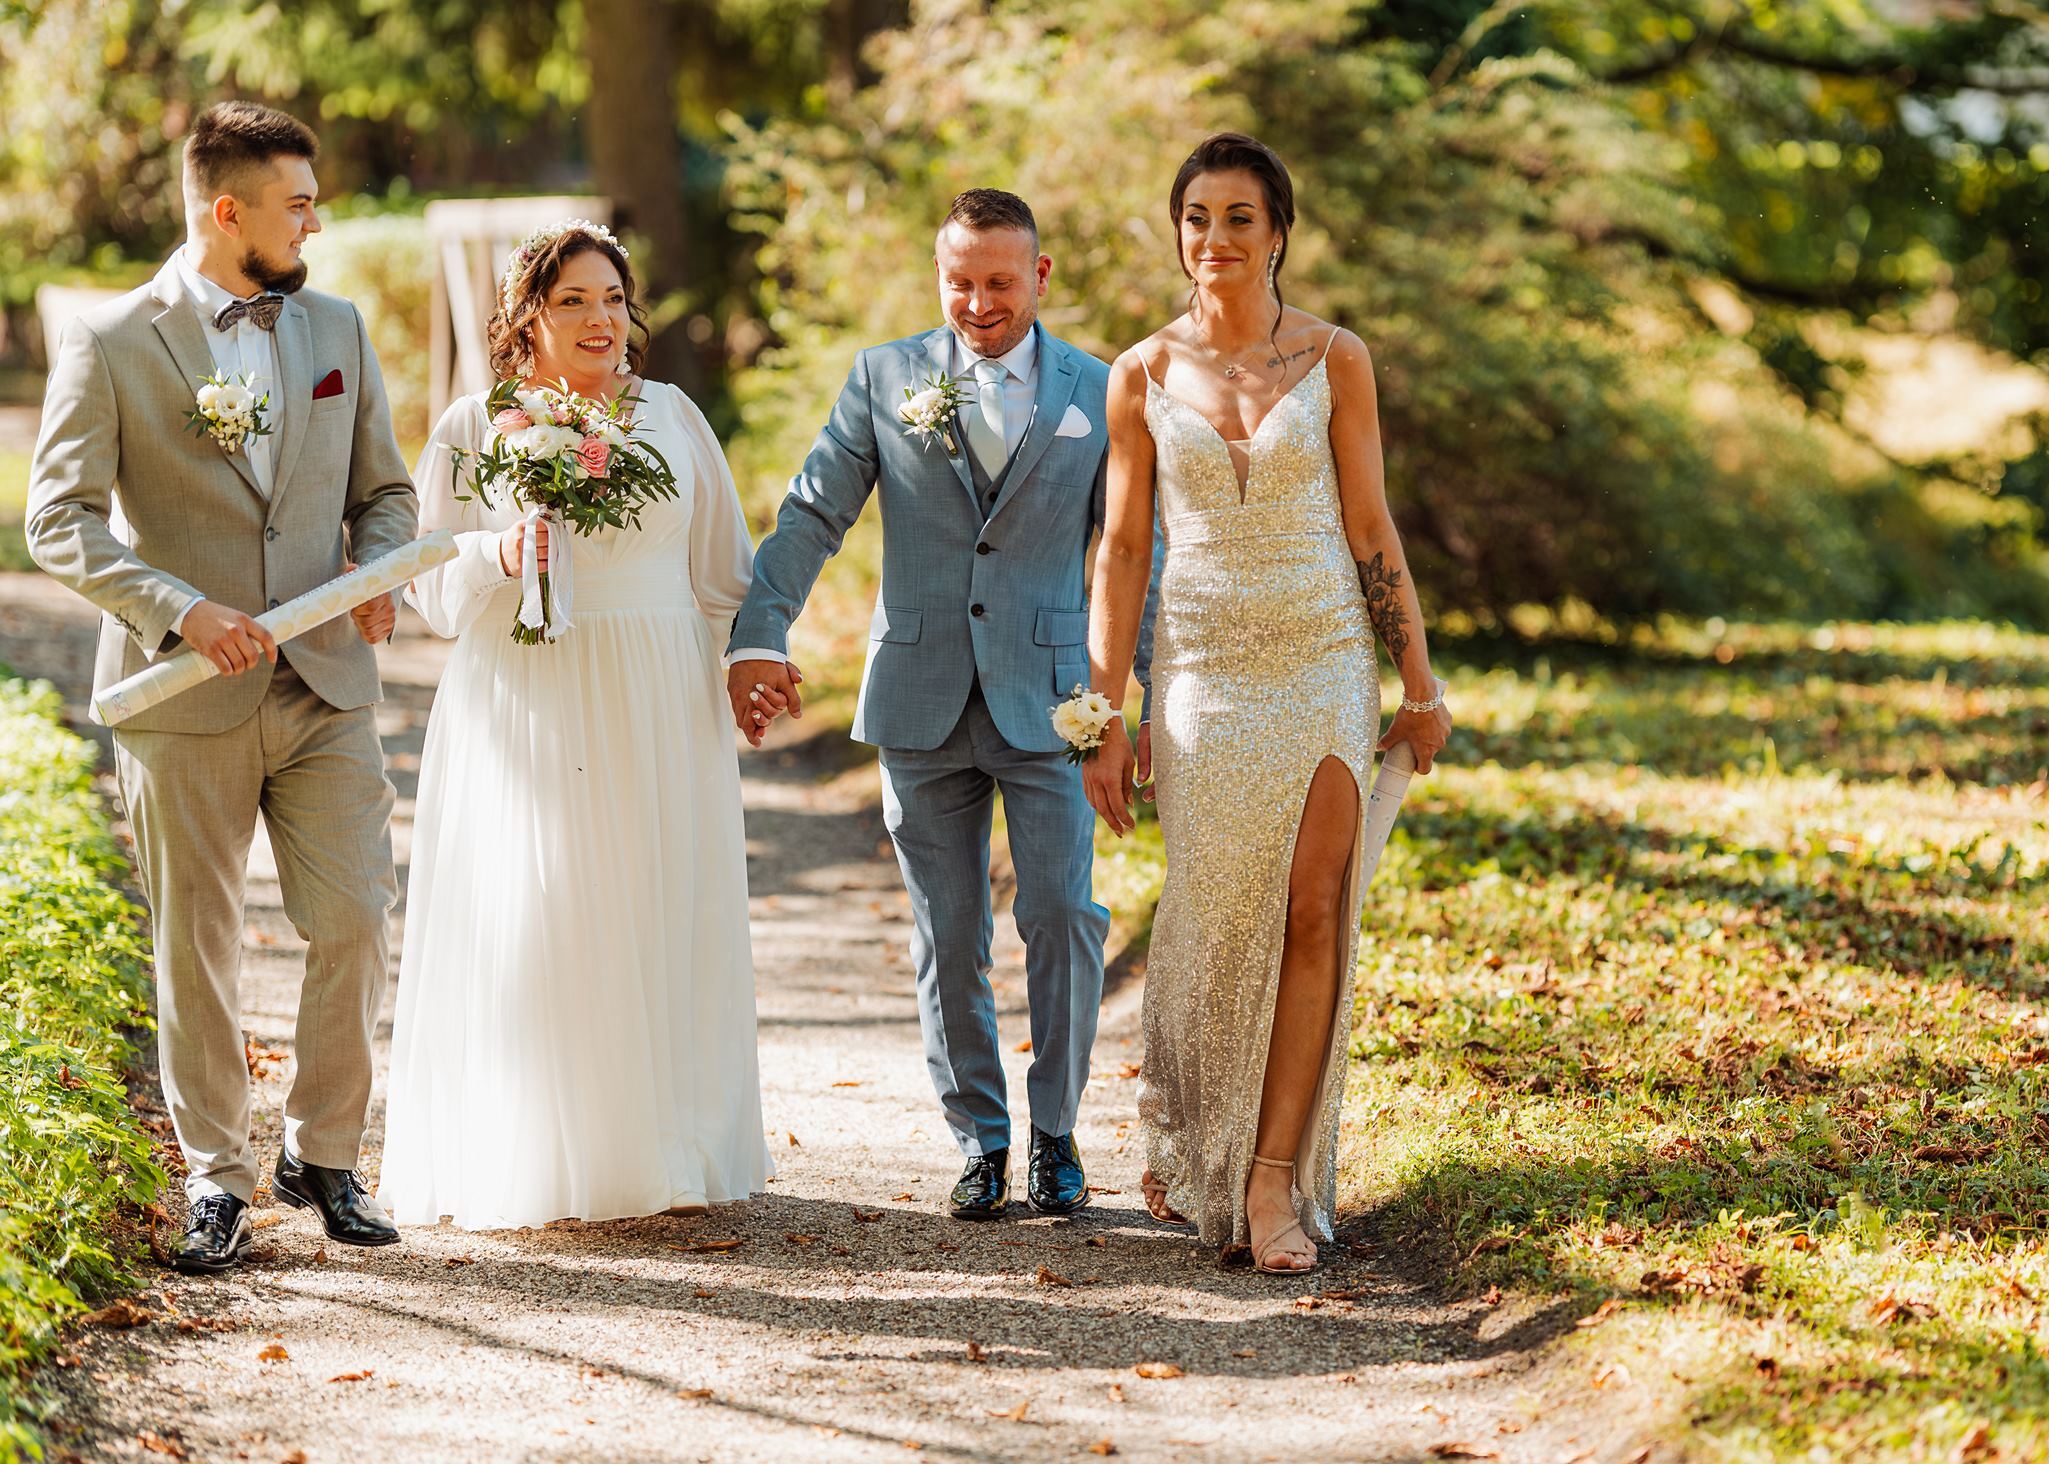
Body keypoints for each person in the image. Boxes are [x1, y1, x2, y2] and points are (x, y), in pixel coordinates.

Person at [26, 101, 418, 1271]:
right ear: (228, 210)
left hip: (324, 686)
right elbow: (58, 519)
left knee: (356, 916)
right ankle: (216, 1177)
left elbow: (385, 494)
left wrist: (379, 570)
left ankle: (324, 1154)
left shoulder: (338, 327)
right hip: (180, 691)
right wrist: (177, 608)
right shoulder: (110, 339)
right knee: (197, 944)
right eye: (298, 204)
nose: (316, 222)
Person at [731, 189, 1158, 1220]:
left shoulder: (1098, 387)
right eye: (959, 281)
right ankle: (981, 1140)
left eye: (999, 282)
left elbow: (1130, 555)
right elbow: (814, 509)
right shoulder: (883, 377)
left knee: (1064, 917)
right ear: (940, 275)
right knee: (948, 933)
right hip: (919, 698)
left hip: (1054, 704)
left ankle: (1055, 1134)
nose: (977, 302)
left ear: (1039, 277)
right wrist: (760, 632)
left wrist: (1153, 692)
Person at [1082, 134, 1453, 1273]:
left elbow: (1370, 526)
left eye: (1239, 217)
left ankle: (1272, 1177)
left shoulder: (1338, 358)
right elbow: (1123, 549)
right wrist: (1104, 712)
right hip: (1199, 673)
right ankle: (1191, 1122)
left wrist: (1418, 683)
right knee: (1208, 914)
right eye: (1197, 217)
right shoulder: (1140, 373)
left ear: (1278, 232)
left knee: (1314, 910)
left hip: (1324, 657)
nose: (1215, 239)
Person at [376, 221, 773, 1229]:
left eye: (612, 300)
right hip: (529, 689)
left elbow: (725, 573)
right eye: (572, 302)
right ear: (528, 318)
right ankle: (547, 1154)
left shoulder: (674, 416)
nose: (600, 320)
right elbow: (429, 582)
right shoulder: (474, 425)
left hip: (659, 692)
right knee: (543, 906)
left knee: (653, 899)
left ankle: (665, 1149)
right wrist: (499, 556)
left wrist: (752, 662)